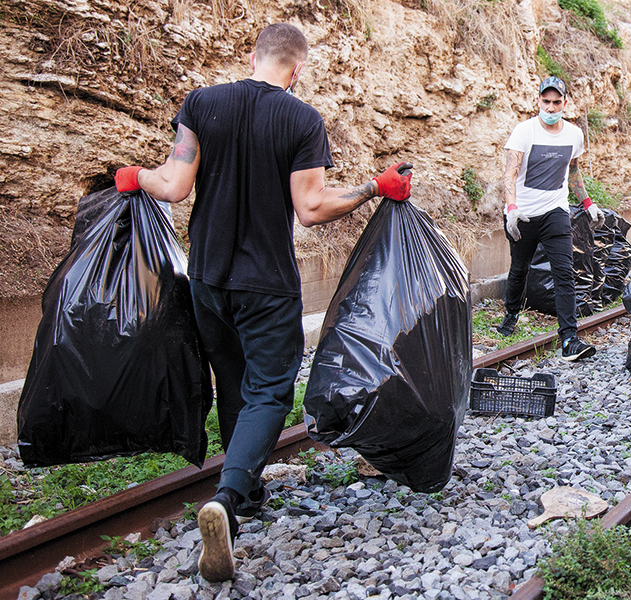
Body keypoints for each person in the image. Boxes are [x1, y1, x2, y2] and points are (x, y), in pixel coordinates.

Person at [113, 23, 412, 583]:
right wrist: (375, 187)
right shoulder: (301, 119)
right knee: (270, 391)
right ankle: (226, 500)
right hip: (265, 283)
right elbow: (312, 207)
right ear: (296, 69)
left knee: (232, 379)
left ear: (253, 57)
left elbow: (174, 185)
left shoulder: (202, 103)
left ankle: (246, 494)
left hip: (205, 275)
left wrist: (134, 176)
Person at [496, 76, 598, 362]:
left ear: (565, 103)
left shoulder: (574, 135)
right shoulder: (523, 132)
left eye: (556, 102)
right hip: (523, 214)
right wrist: (512, 207)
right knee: (519, 269)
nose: (551, 108)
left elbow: (573, 171)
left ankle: (569, 339)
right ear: (538, 101)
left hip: (556, 210)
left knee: (564, 272)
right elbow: (510, 174)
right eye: (546, 101)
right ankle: (511, 314)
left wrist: (587, 203)